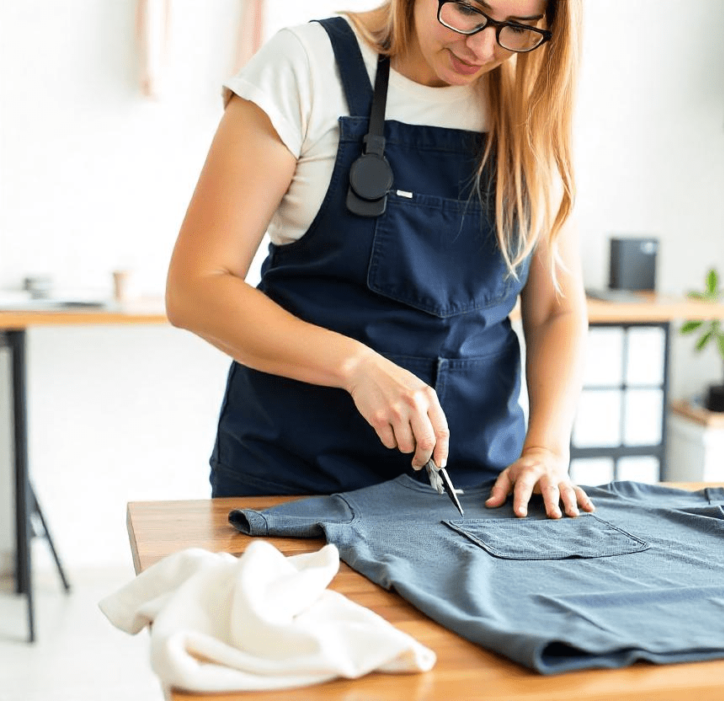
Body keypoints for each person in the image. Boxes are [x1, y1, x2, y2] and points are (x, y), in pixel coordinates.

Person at [165, 0, 593, 520]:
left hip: (474, 489)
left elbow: (555, 310)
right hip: (296, 481)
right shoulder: (305, 66)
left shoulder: (531, 96)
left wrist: (546, 450)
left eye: (519, 28)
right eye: (466, 9)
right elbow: (197, 287)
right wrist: (356, 367)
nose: (482, 47)